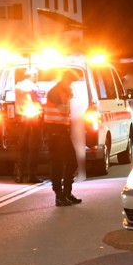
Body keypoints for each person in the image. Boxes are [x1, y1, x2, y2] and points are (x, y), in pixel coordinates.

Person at [45, 69, 82, 206]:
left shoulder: (64, 90)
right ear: (66, 78)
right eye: (71, 81)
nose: (71, 84)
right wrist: (68, 95)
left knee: (72, 162)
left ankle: (67, 192)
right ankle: (59, 195)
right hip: (54, 132)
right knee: (58, 164)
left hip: (62, 131)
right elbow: (62, 109)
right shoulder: (56, 91)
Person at [13, 67, 41, 183]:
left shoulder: (17, 87)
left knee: (22, 148)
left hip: (21, 119)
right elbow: (38, 102)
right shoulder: (34, 88)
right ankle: (32, 175)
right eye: (37, 76)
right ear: (33, 75)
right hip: (33, 119)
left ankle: (20, 174)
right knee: (33, 148)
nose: (37, 78)